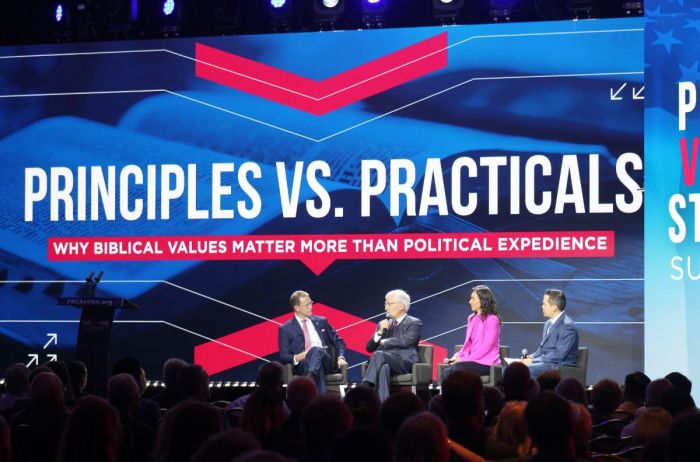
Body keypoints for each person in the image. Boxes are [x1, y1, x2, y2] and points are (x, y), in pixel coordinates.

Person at [278, 290, 347, 394]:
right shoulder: (285, 329)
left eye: (311, 303)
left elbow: (339, 341)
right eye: (307, 305)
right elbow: (283, 357)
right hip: (304, 364)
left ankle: (308, 379)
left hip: (325, 361)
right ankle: (313, 385)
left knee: (316, 349)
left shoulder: (322, 321)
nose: (311, 307)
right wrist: (297, 357)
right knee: (318, 370)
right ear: (297, 308)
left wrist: (341, 357)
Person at [362, 289, 423, 402]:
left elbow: (406, 341)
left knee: (379, 354)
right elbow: (369, 348)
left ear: (401, 306)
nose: (386, 308)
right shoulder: (383, 324)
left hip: (404, 361)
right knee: (384, 368)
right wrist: (380, 332)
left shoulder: (414, 322)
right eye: (385, 304)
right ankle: (383, 404)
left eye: (389, 304)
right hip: (385, 361)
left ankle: (366, 386)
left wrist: (384, 342)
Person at [442, 285, 501, 379]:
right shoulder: (471, 318)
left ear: (482, 300)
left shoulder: (493, 320)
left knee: (457, 368)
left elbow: (486, 348)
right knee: (445, 370)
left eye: (473, 299)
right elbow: (468, 344)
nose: (470, 302)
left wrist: (463, 360)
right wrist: (457, 355)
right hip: (471, 360)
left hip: (486, 362)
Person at [520, 288, 578, 378]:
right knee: (512, 368)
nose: (542, 306)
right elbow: (542, 349)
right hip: (546, 363)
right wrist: (530, 357)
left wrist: (533, 361)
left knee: (524, 371)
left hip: (559, 366)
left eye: (544, 304)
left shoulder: (567, 326)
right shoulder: (547, 323)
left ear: (554, 307)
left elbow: (558, 356)